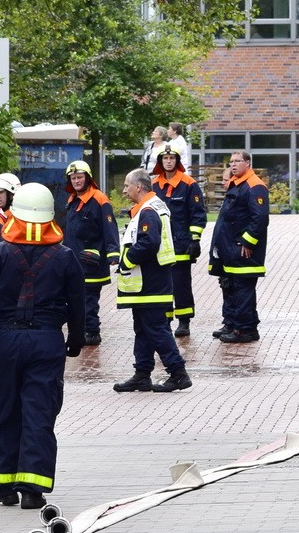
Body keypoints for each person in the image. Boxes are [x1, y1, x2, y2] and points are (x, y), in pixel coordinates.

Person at [0, 183, 85, 510]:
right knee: (39, 411)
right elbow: (78, 306)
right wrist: (75, 341)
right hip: (46, 340)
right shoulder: (64, 257)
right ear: (51, 216)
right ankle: (33, 488)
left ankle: (3, 484)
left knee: (4, 408)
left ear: (15, 213)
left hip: (5, 340)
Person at [112, 169, 192, 393]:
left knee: (156, 329)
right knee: (144, 329)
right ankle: (142, 374)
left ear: (139, 187)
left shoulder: (148, 210)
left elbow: (149, 243)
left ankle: (178, 374)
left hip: (150, 282)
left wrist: (126, 261)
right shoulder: (152, 206)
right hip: (150, 281)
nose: (124, 190)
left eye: (127, 185)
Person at [209, 150, 270, 344]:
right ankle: (236, 324)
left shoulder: (254, 186)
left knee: (243, 289)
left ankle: (244, 330)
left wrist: (247, 241)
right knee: (233, 287)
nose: (233, 165)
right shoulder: (238, 184)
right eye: (231, 162)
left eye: (237, 161)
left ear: (248, 163)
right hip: (231, 248)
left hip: (243, 250)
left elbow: (259, 218)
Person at [63, 160, 120, 345]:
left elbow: (109, 226)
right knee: (76, 299)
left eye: (79, 177)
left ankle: (92, 332)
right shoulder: (72, 199)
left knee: (88, 301)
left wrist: (113, 253)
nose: (76, 181)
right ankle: (83, 331)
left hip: (91, 261)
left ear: (88, 178)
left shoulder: (99, 199)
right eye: (73, 178)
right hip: (74, 261)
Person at [152, 149, 207, 337]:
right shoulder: (153, 185)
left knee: (181, 285)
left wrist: (195, 239)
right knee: (161, 284)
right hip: (159, 245)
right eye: (165, 158)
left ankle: (184, 321)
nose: (168, 161)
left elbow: (198, 214)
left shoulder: (189, 184)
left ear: (177, 161)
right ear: (160, 161)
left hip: (181, 245)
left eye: (172, 158)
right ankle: (165, 319)